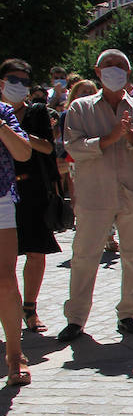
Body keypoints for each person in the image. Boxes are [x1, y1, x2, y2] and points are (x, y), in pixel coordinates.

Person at [57, 49, 133, 343]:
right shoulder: (80, 108)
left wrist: (131, 137)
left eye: (120, 65)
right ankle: (76, 319)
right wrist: (108, 139)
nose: (114, 69)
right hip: (94, 195)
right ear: (98, 71)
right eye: (108, 65)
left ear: (128, 72)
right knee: (84, 258)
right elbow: (73, 147)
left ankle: (128, 314)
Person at [4, 72, 61, 336]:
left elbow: (48, 148)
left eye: (23, 81)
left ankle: (29, 308)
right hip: (4, 191)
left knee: (35, 251)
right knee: (5, 259)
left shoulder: (37, 112)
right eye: (11, 79)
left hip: (32, 189)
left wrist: (15, 132)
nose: (18, 86)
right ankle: (9, 308)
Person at [0, 60, 35, 385]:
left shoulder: (5, 113)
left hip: (0, 201)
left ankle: (15, 355)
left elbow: (24, 153)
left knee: (6, 281)